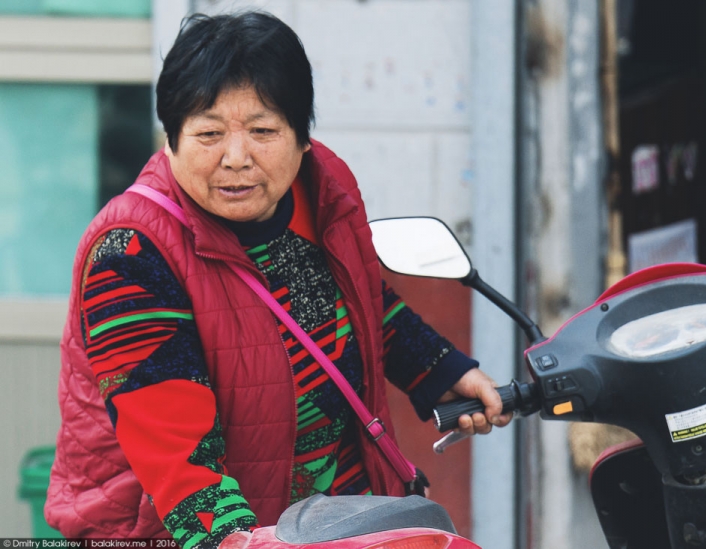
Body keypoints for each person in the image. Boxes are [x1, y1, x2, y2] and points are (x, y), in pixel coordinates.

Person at [45, 11, 510, 548]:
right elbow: (176, 454)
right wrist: (235, 540)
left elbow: (359, 299)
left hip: (329, 519)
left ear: (302, 138)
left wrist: (440, 370)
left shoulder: (322, 193)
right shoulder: (129, 253)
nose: (236, 159)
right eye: (209, 133)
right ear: (170, 142)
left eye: (263, 131)